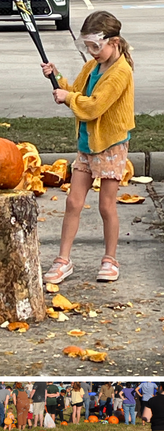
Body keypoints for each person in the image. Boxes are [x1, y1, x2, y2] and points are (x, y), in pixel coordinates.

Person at [41, 11, 134, 285]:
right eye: (88, 47)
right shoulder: (93, 67)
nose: (92, 52)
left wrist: (69, 98)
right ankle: (63, 259)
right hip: (87, 144)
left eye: (97, 46)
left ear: (114, 42)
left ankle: (110, 259)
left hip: (110, 146)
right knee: (73, 201)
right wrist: (56, 76)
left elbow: (93, 106)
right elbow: (75, 90)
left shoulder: (120, 72)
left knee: (106, 205)